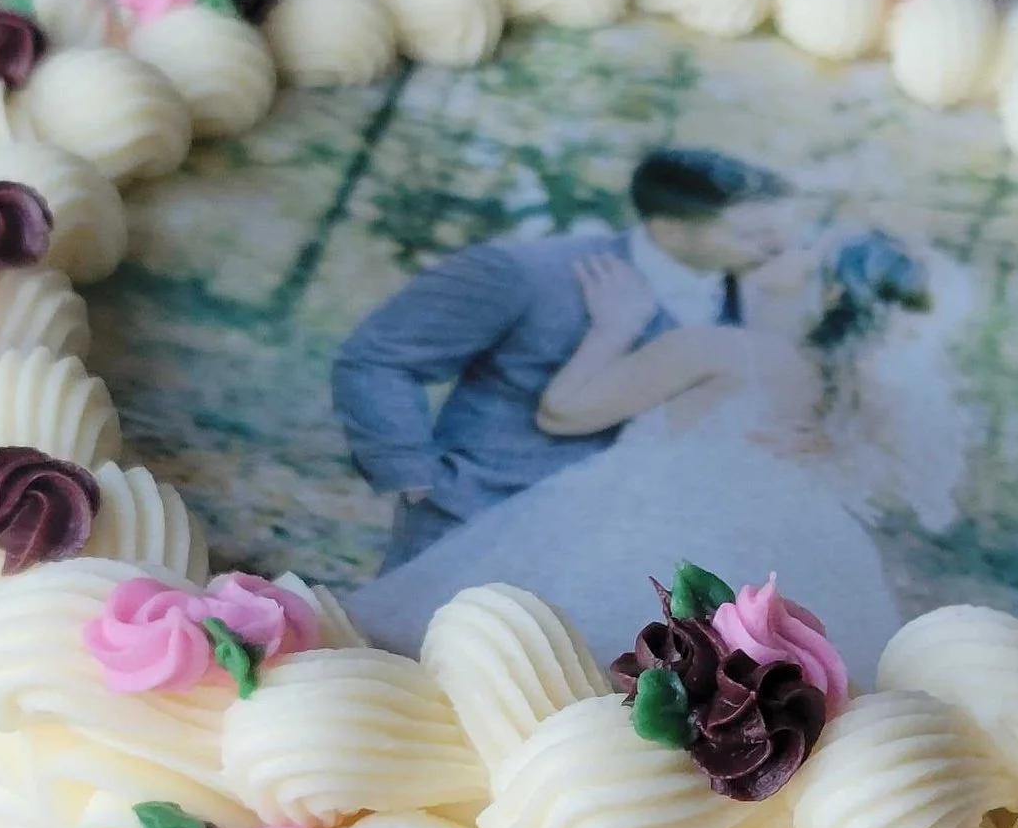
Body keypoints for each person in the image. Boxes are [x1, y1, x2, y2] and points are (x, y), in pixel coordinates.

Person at [343, 226, 949, 683]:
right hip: (774, 552)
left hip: (641, 528)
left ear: (828, 288)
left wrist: (615, 325)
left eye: (806, 250)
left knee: (524, 663)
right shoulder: (858, 392)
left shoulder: (719, 348)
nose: (784, 247)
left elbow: (565, 412)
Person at [330, 149, 796, 569]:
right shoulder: (527, 271)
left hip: (620, 551)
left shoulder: (763, 306)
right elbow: (379, 359)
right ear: (669, 227)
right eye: (751, 234)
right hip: (477, 517)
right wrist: (410, 472)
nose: (775, 247)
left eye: (776, 232)